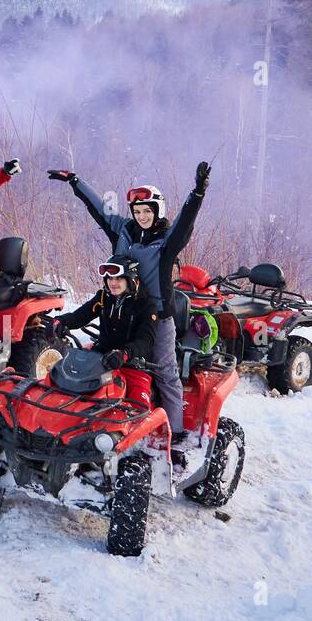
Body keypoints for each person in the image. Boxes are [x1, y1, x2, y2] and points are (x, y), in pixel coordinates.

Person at [48, 160, 210, 455]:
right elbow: (99, 208)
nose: (142, 216)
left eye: (147, 210)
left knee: (164, 372)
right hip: (118, 310)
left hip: (155, 316)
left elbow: (186, 222)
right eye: (137, 211)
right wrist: (75, 182)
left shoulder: (166, 240)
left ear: (157, 211)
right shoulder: (123, 230)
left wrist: (197, 193)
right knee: (97, 364)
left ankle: (174, 435)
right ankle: (91, 425)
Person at [51, 259, 156, 370]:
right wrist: (61, 321)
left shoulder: (145, 305)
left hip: (132, 363)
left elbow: (146, 340)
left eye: (118, 278)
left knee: (137, 388)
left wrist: (124, 353)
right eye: (110, 278)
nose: (113, 283)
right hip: (101, 358)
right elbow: (81, 315)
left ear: (131, 280)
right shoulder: (104, 297)